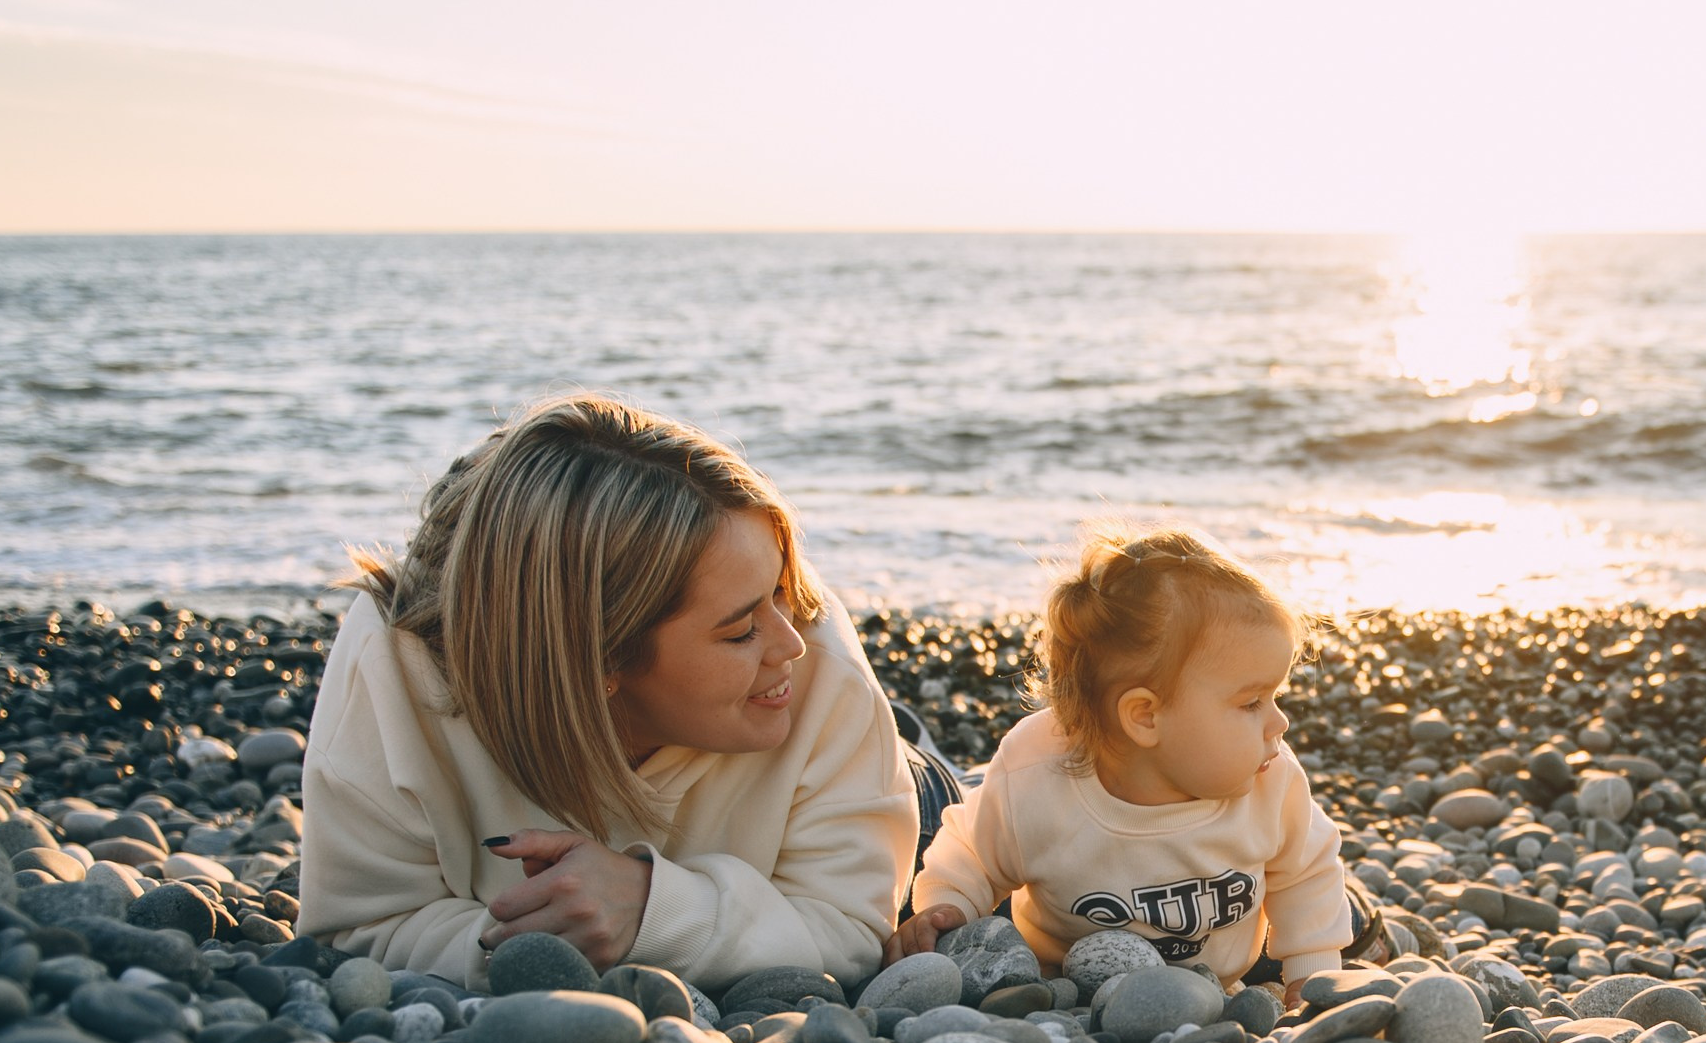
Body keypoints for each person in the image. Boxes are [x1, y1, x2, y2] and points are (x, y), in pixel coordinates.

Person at [300, 395, 924, 993]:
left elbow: (849, 929)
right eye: (740, 632)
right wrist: (542, 943)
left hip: (892, 784)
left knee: (964, 817)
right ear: (597, 657)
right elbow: (360, 928)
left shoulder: (817, 654)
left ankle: (914, 746)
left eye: (782, 590)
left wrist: (651, 910)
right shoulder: (395, 664)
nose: (791, 643)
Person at [889, 524, 1380, 996]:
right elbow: (974, 851)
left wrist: (1311, 979)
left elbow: (1306, 874)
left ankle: (1367, 914)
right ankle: (936, 765)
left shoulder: (1271, 780)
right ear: (1146, 716)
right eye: (1252, 703)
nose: (1280, 723)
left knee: (1342, 920)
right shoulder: (1038, 778)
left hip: (1227, 966)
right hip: (1063, 977)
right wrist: (948, 905)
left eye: (1275, 697)